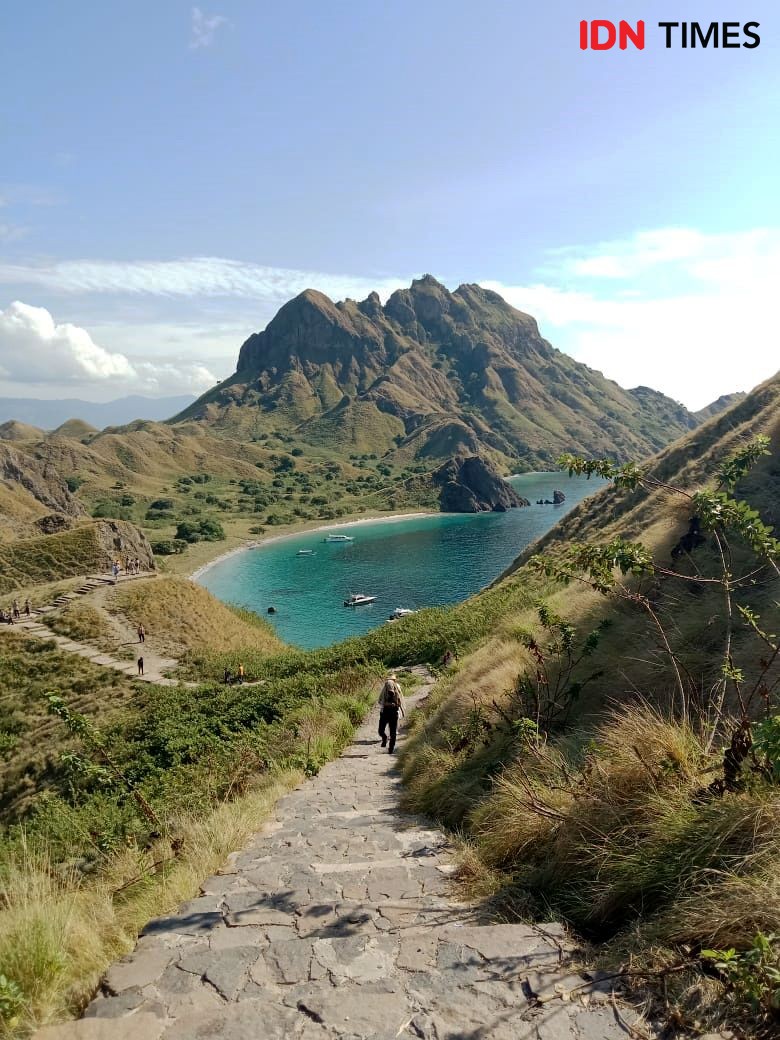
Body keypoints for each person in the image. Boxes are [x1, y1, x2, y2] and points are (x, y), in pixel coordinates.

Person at [378, 674, 406, 753]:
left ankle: (391, 749)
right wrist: (386, 704)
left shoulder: (397, 688)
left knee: (393, 732)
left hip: (393, 712)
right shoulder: (385, 689)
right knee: (381, 730)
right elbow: (381, 700)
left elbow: (400, 700)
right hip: (385, 711)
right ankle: (385, 738)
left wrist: (396, 705)